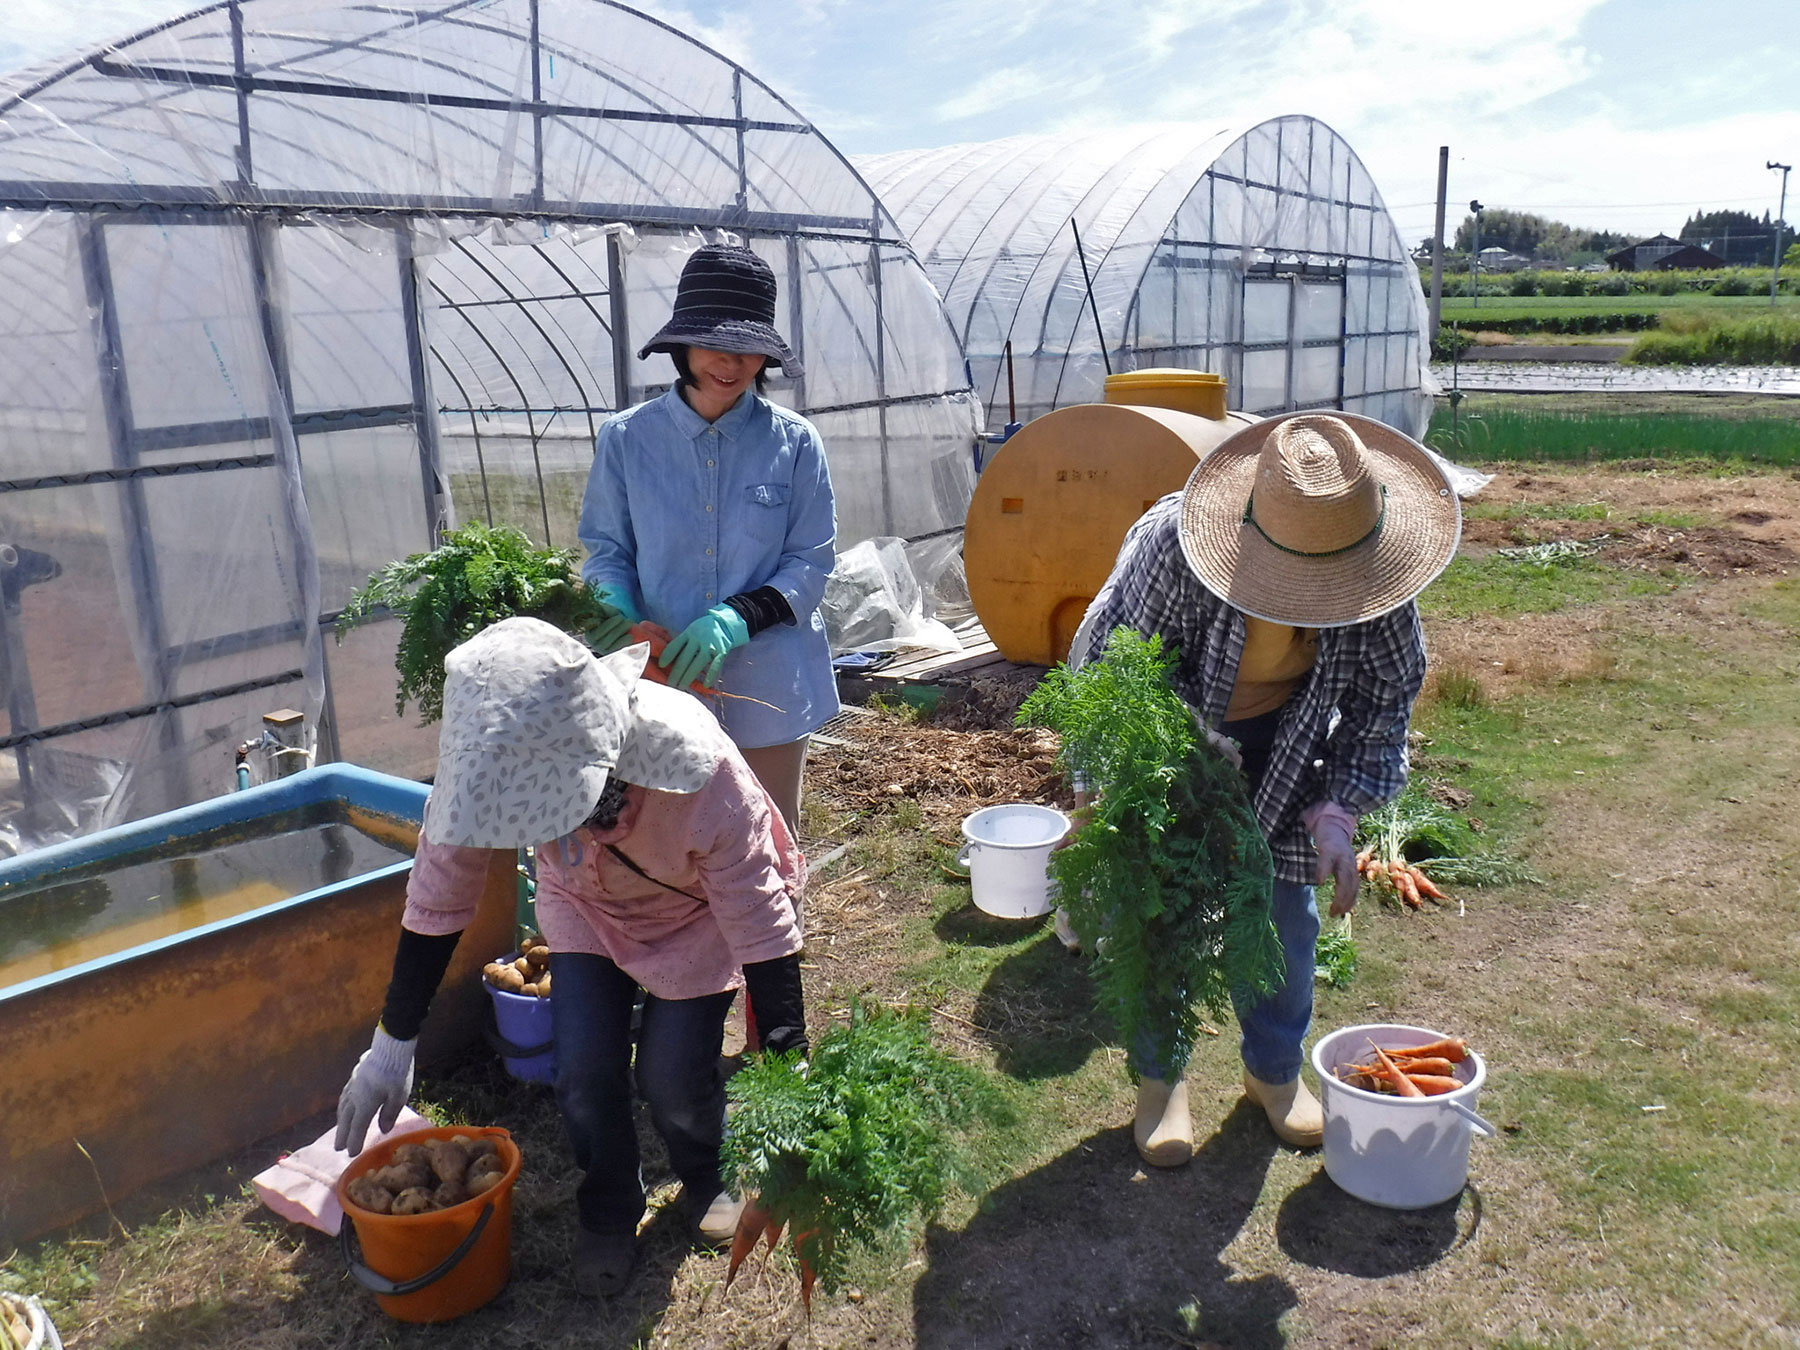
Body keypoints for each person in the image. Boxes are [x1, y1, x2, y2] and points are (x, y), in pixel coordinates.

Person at [334, 617, 809, 1298]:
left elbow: (759, 920)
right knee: (582, 1072)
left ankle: (707, 1173)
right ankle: (609, 1209)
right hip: (583, 902)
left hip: (695, 919)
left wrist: (789, 1056)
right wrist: (392, 1043)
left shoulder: (700, 773)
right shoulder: (487, 764)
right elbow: (438, 898)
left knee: (674, 1081)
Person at [1069, 412, 1460, 1163]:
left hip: (1293, 746)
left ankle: (1273, 1074)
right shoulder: (1174, 550)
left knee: (1284, 919)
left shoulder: (1378, 581)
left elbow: (1382, 708)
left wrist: (1338, 814)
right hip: (1171, 736)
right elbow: (1117, 673)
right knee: (1164, 911)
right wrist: (1170, 752)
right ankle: (1161, 1080)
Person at [578, 242, 838, 838]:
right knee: (667, 845)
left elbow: (810, 561)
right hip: (660, 680)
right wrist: (616, 612)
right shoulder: (627, 439)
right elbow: (607, 552)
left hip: (767, 689)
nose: (731, 362)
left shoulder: (795, 442)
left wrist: (735, 618)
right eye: (714, 343)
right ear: (682, 346)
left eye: (748, 347)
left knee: (768, 840)